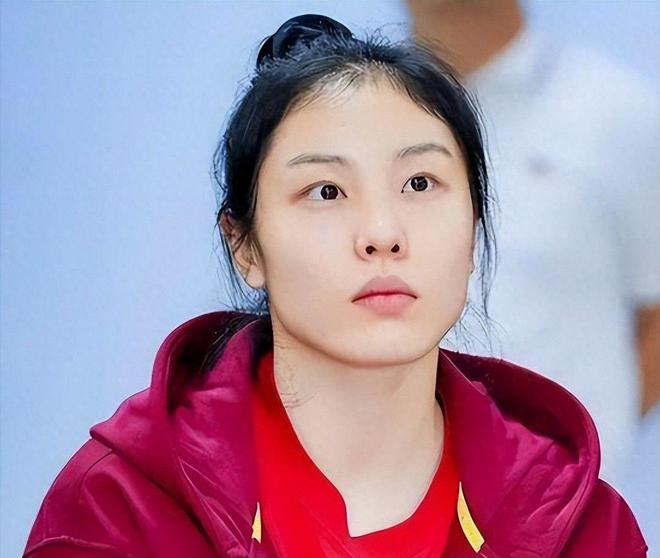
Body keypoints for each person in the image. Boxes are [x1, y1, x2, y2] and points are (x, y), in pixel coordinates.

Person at [22, 13, 647, 558]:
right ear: (245, 247)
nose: (382, 233)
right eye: (326, 191)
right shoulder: (116, 508)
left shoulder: (586, 528)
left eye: (420, 183)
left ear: (474, 233)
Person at [405, 0, 660, 490]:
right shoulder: (343, 122)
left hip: (564, 509)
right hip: (382, 509)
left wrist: (578, 460)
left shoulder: (619, 116)